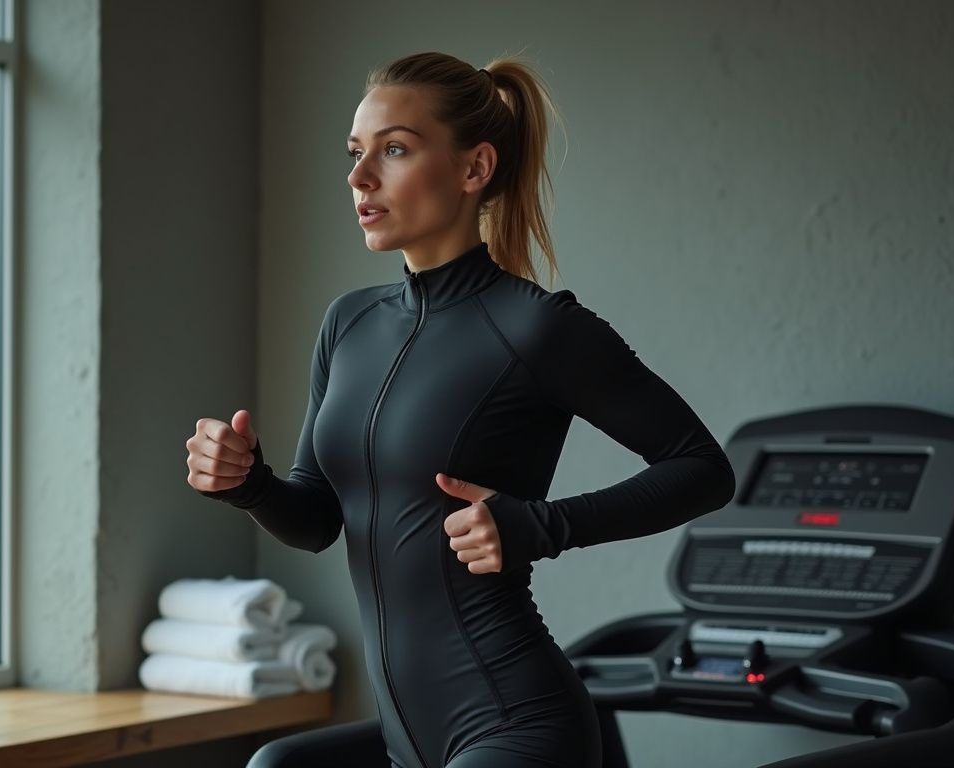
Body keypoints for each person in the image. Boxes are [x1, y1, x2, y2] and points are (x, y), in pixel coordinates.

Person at [184, 51, 736, 768]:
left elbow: (703, 469)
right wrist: (248, 484)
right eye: (356, 153)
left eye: (395, 150)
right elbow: (318, 519)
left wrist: (544, 525)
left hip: (517, 729)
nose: (359, 178)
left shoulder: (537, 328)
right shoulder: (347, 324)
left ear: (474, 169)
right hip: (404, 744)